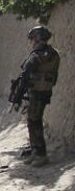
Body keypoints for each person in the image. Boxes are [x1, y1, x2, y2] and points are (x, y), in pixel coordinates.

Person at [19, 26, 60, 168]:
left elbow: (26, 72)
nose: (31, 42)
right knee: (33, 120)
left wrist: (19, 91)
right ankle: (35, 151)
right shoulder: (52, 53)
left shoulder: (39, 54)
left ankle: (41, 154)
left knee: (34, 121)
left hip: (38, 92)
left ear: (37, 39)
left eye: (33, 39)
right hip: (43, 90)